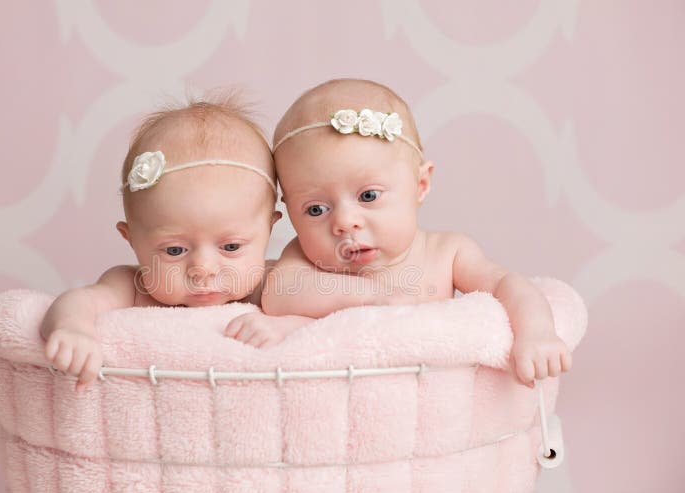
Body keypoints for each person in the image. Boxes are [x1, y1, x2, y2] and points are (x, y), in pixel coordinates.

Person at [226, 79, 571, 387]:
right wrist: (374, 298)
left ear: (420, 184)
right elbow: (279, 295)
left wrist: (536, 332)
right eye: (316, 209)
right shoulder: (303, 257)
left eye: (368, 196)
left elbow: (506, 284)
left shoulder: (447, 253)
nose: (345, 222)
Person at [41, 94, 282, 391]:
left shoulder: (273, 286)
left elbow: (331, 321)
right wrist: (73, 329)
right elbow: (78, 301)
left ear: (269, 229)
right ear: (131, 239)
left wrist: (286, 325)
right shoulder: (132, 287)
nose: (203, 269)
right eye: (175, 250)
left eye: (231, 247)